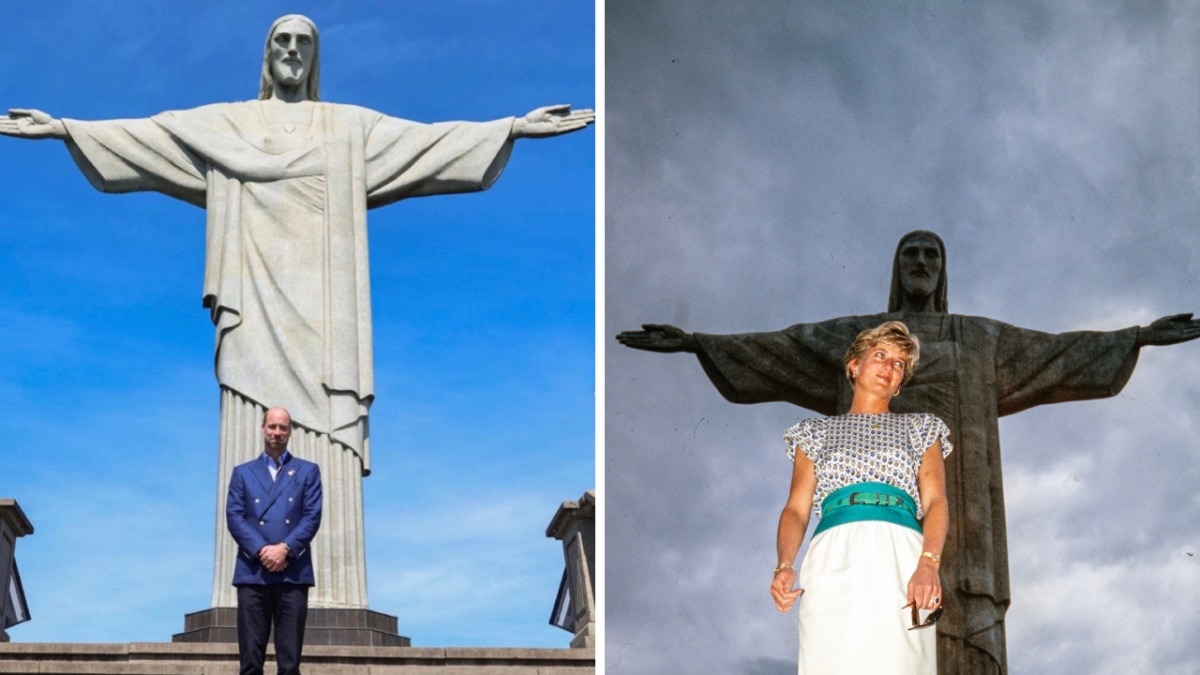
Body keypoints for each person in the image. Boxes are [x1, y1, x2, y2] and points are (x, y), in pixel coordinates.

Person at [0, 14, 593, 611]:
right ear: (266, 55)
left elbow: (428, 140)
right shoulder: (229, 123)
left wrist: (512, 127)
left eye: (303, 43)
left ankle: (333, 597)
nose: (291, 51)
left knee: (326, 438)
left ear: (315, 57)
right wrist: (63, 129)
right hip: (254, 300)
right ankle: (246, 597)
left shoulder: (345, 127)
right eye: (280, 41)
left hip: (328, 313)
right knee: (247, 439)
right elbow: (153, 137)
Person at [617, 230, 1200, 673]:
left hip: (961, 509)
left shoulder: (980, 338)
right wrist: (698, 343)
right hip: (856, 540)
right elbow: (786, 347)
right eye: (910, 254)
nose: (921, 263)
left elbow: (1056, 353)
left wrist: (1138, 336)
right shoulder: (861, 335)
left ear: (943, 271)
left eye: (932, 255)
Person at [770, 320, 949, 673]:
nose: (889, 367)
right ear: (855, 364)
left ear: (900, 383)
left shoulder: (921, 427)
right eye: (880, 355)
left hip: (903, 554)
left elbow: (935, 502)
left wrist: (928, 564)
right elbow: (796, 509)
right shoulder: (814, 432)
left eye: (899, 364)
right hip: (833, 553)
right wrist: (785, 565)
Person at [226, 406, 322, 675]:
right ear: (262, 428)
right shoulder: (242, 473)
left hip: (292, 572)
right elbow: (235, 517)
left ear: (290, 432)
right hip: (252, 572)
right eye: (272, 426)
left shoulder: (308, 471)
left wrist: (285, 549)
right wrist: (262, 550)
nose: (277, 433)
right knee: (250, 663)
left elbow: (312, 516)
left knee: (290, 664)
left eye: (283, 427)